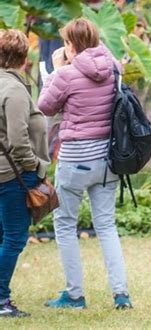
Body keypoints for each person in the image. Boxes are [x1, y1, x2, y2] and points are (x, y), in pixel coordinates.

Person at [37, 19, 131, 310]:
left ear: (71, 45)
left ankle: (75, 295)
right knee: (106, 226)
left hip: (76, 158)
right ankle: (121, 295)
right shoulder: (112, 65)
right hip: (107, 159)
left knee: (64, 224)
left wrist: (53, 72)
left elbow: (45, 105)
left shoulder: (66, 73)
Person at [0, 30, 50, 318]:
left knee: (2, 235)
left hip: (4, 172)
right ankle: (1, 299)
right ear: (23, 57)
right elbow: (19, 140)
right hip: (14, 175)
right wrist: (35, 167)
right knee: (15, 238)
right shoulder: (15, 90)